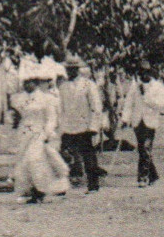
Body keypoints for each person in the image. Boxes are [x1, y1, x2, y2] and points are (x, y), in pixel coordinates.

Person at [11, 76, 70, 202]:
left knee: (35, 159)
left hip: (39, 132)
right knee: (24, 161)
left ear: (36, 83)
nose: (27, 85)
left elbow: (51, 118)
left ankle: (41, 189)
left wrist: (48, 132)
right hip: (24, 132)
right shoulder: (19, 99)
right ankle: (31, 190)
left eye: (30, 82)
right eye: (25, 82)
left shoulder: (46, 99)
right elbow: (18, 117)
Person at [57, 58, 105, 191]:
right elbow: (60, 108)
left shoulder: (88, 84)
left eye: (72, 69)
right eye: (68, 69)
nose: (70, 71)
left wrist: (94, 126)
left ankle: (93, 184)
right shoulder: (63, 87)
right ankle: (61, 186)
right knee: (62, 156)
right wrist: (60, 127)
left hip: (84, 127)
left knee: (88, 156)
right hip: (68, 127)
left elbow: (96, 106)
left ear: (77, 70)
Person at [122, 66, 164, 187]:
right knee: (143, 149)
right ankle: (153, 175)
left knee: (145, 148)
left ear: (151, 73)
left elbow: (160, 104)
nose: (144, 76)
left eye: (146, 73)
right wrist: (125, 119)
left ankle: (143, 177)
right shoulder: (134, 86)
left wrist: (146, 97)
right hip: (137, 121)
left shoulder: (158, 86)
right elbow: (129, 103)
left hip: (150, 121)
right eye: (142, 73)